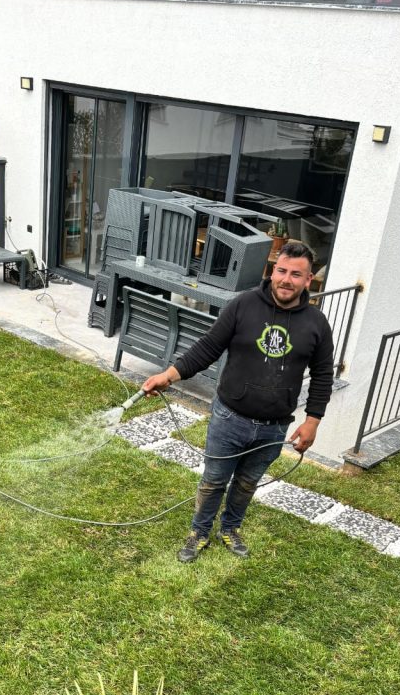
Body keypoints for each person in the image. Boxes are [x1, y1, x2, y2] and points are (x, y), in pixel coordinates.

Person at [142, 241, 334, 563]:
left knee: (247, 483)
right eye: (282, 271)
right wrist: (169, 375)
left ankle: (230, 528)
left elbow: (323, 374)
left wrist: (312, 420)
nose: (287, 280)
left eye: (296, 275)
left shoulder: (316, 324)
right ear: (273, 271)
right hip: (230, 418)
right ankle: (199, 532)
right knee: (214, 480)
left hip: (274, 427)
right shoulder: (243, 305)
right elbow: (208, 347)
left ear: (308, 279)